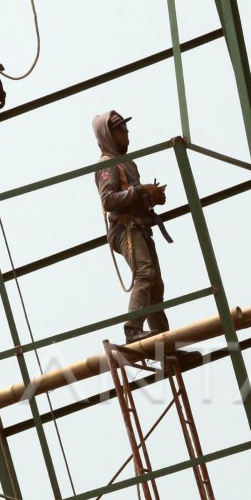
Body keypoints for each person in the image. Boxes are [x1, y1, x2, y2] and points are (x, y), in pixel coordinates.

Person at [93, 110, 170, 344]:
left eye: (127, 130)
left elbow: (131, 197)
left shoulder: (128, 164)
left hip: (139, 227)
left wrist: (151, 198)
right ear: (108, 134)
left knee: (155, 286)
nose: (127, 135)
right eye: (121, 131)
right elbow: (108, 200)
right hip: (124, 229)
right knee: (145, 273)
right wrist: (140, 191)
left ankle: (166, 346)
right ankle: (133, 329)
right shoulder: (107, 165)